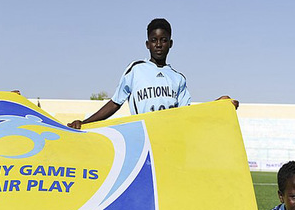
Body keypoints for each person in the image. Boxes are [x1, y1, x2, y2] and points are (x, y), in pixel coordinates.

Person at [67, 18, 236, 129]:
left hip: (171, 140)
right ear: (147, 44)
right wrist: (84, 123)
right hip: (143, 140)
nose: (159, 44)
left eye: (163, 40)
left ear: (170, 43)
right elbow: (115, 103)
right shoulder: (136, 69)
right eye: (154, 40)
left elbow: (187, 115)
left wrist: (217, 106)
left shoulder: (178, 78)